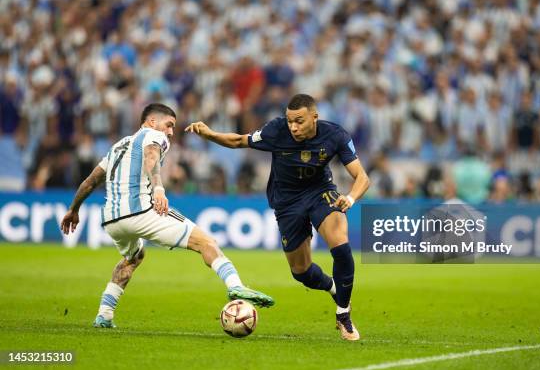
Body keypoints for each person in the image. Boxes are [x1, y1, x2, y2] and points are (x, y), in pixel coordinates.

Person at [60, 103, 274, 329]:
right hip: (142, 211)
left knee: (133, 257)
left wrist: (74, 209)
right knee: (206, 242)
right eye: (169, 125)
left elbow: (90, 181)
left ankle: (104, 315)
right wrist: (159, 189)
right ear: (152, 121)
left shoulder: (118, 146)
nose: (171, 131)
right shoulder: (154, 135)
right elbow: (150, 156)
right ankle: (235, 285)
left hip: (112, 220)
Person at [186, 94, 370, 341]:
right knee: (301, 271)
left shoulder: (335, 135)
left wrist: (349, 198)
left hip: (320, 193)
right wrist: (211, 135)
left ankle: (343, 316)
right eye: (290, 121)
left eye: (299, 121)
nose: (293, 127)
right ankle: (333, 287)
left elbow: (362, 177)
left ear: (314, 117)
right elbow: (241, 141)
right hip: (287, 202)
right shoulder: (276, 130)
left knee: (340, 242)